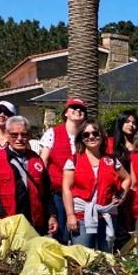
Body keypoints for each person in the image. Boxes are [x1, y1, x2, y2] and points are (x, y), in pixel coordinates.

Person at [0, 115, 56, 236]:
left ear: (30, 135)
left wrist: (52, 215)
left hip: (34, 222)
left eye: (24, 134)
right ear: (6, 134)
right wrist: (2, 216)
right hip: (8, 221)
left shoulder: (36, 159)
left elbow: (46, 192)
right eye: (14, 135)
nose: (19, 139)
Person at [62, 119, 131, 251]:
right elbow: (66, 189)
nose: (91, 137)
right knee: (83, 255)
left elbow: (127, 178)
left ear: (101, 135)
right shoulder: (73, 160)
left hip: (107, 214)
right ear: (81, 139)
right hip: (81, 215)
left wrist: (121, 194)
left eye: (95, 133)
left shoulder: (111, 160)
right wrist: (70, 215)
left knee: (105, 255)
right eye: (86, 135)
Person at [39, 97, 88, 242]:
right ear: (66, 113)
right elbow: (43, 162)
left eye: (82, 109)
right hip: (58, 193)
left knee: (81, 234)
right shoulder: (52, 133)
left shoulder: (89, 135)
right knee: (61, 234)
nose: (78, 111)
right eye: (74, 108)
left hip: (82, 194)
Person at [109, 110, 138, 249]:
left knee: (134, 228)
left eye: (134, 123)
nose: (131, 125)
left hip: (136, 191)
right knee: (119, 228)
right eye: (127, 122)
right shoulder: (111, 143)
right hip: (119, 191)